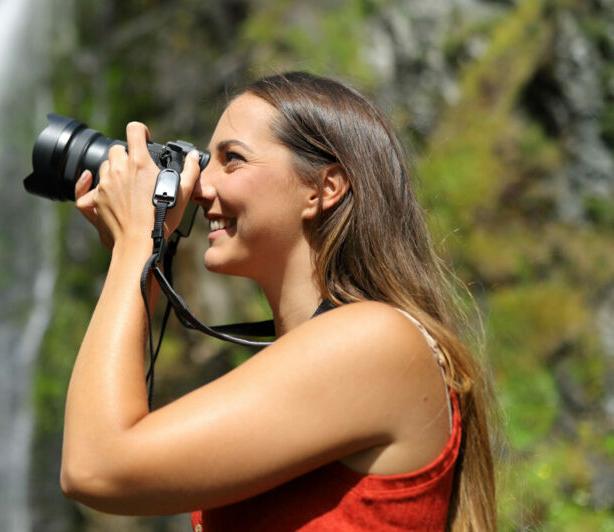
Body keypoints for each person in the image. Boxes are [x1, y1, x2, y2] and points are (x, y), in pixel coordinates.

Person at [60, 71, 496, 531]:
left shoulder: (376, 341)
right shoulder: (333, 352)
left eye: (232, 159)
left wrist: (136, 245)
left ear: (323, 189)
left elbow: (95, 466)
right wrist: (141, 262)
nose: (200, 188)